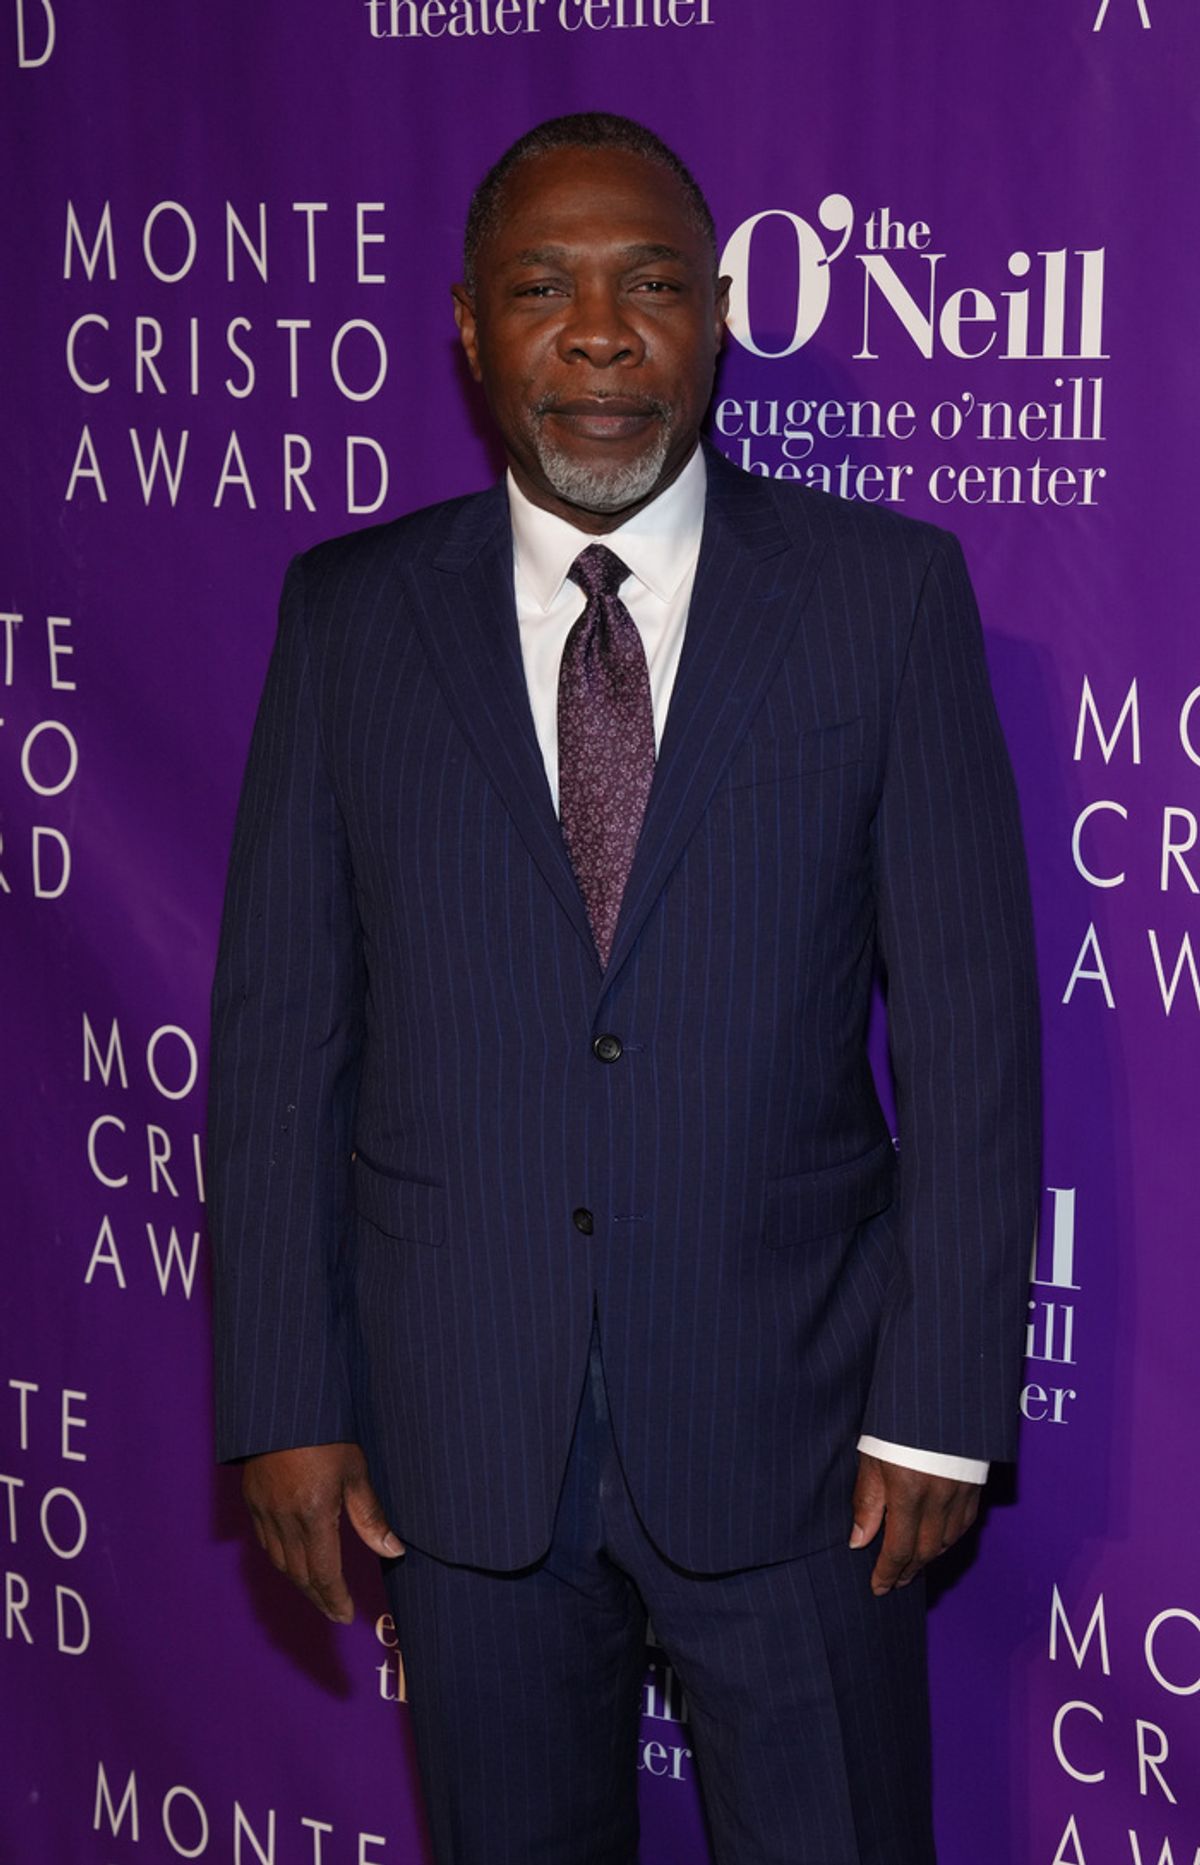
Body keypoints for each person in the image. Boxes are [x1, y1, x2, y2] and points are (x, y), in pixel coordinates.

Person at [208, 113, 1041, 1865]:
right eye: (544, 287)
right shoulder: (348, 621)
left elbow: (971, 1031)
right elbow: (283, 1034)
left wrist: (943, 1401)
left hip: (809, 1438)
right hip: (463, 1438)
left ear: (721, 313)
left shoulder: (882, 598)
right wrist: (284, 1389)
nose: (600, 331)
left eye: (652, 282)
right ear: (466, 326)